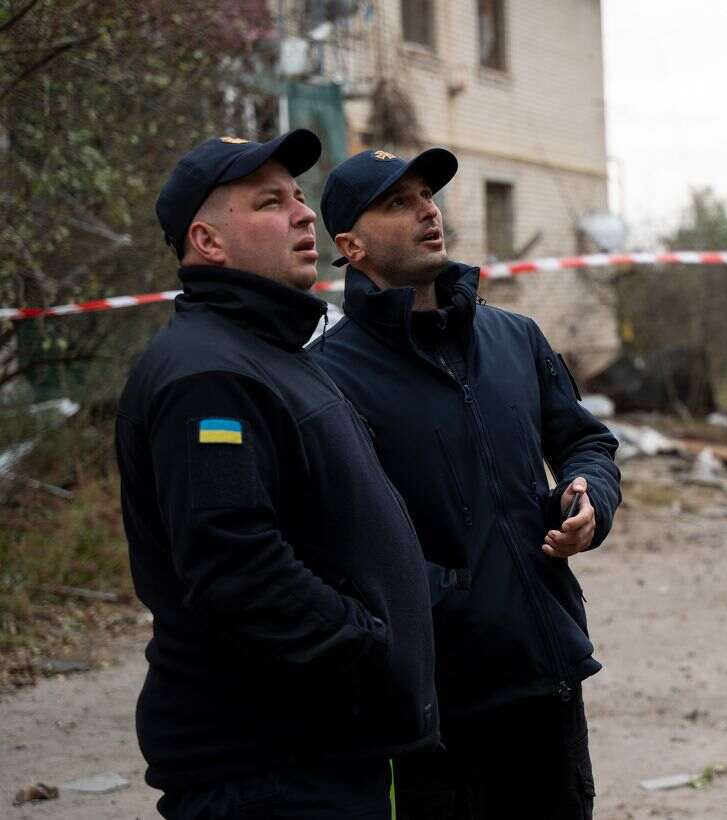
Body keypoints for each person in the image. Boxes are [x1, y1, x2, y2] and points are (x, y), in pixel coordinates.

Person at [116, 131, 438, 819]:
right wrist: (364, 647)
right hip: (267, 768)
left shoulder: (268, 353)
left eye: (297, 196)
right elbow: (235, 565)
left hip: (319, 752)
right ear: (207, 241)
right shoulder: (208, 375)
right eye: (270, 202)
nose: (302, 213)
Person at [307, 147, 622, 819]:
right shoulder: (325, 378)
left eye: (427, 195)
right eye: (398, 203)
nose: (427, 211)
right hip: (432, 707)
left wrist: (588, 497)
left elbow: (586, 442)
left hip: (545, 678)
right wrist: (444, 596)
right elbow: (327, 540)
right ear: (351, 246)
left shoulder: (514, 337)